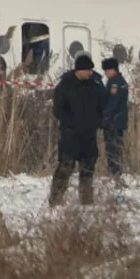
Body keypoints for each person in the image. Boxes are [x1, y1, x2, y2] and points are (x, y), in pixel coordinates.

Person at [50, 54, 107, 205]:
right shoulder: (64, 86)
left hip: (89, 135)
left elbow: (103, 105)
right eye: (88, 70)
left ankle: (86, 200)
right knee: (65, 167)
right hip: (70, 135)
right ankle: (55, 200)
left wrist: (97, 122)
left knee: (88, 169)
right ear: (79, 70)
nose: (90, 73)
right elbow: (57, 110)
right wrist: (71, 123)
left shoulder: (95, 86)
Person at [101, 57, 129, 178]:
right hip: (119, 120)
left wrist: (104, 119)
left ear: (112, 70)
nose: (105, 74)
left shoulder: (115, 83)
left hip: (114, 121)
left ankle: (114, 172)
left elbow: (112, 104)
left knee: (112, 148)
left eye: (106, 71)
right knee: (115, 147)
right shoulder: (120, 81)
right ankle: (115, 171)